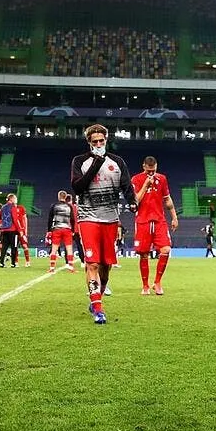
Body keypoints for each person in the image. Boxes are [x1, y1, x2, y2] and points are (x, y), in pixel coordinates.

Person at [70, 124, 136, 324]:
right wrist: (96, 163)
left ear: (106, 140)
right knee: (92, 263)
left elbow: (126, 185)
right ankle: (97, 307)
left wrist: (132, 201)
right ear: (89, 143)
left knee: (106, 266)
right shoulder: (79, 161)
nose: (98, 144)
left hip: (110, 219)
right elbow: (78, 187)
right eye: (94, 142)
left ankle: (97, 294)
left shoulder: (117, 162)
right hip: (88, 218)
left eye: (101, 141)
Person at [131, 155, 179, 294]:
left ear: (156, 167)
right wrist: (146, 184)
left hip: (159, 220)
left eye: (153, 170)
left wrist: (174, 217)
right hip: (143, 221)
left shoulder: (162, 179)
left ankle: (157, 282)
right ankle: (145, 285)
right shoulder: (136, 179)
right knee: (144, 254)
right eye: (148, 171)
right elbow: (136, 201)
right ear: (144, 167)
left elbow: (167, 199)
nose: (151, 173)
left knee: (165, 250)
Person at [46, 190, 77, 273]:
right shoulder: (69, 207)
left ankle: (52, 268)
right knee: (69, 248)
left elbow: (50, 219)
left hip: (57, 229)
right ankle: (71, 267)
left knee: (54, 249)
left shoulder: (54, 206)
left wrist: (49, 230)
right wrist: (73, 230)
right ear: (65, 197)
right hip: (67, 229)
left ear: (58, 196)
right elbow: (73, 219)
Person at [0, 194, 21, 268]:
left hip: (4, 230)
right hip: (13, 230)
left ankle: (1, 263)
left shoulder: (3, 207)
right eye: (15, 198)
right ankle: (13, 263)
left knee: (4, 247)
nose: (16, 200)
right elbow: (15, 219)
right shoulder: (13, 207)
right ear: (12, 199)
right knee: (14, 247)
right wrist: (20, 230)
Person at [14, 197, 32, 267]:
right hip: (14, 231)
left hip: (22, 230)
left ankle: (27, 261)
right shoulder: (11, 209)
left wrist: (25, 230)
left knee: (25, 246)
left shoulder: (21, 208)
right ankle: (16, 262)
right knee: (15, 247)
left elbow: (25, 218)